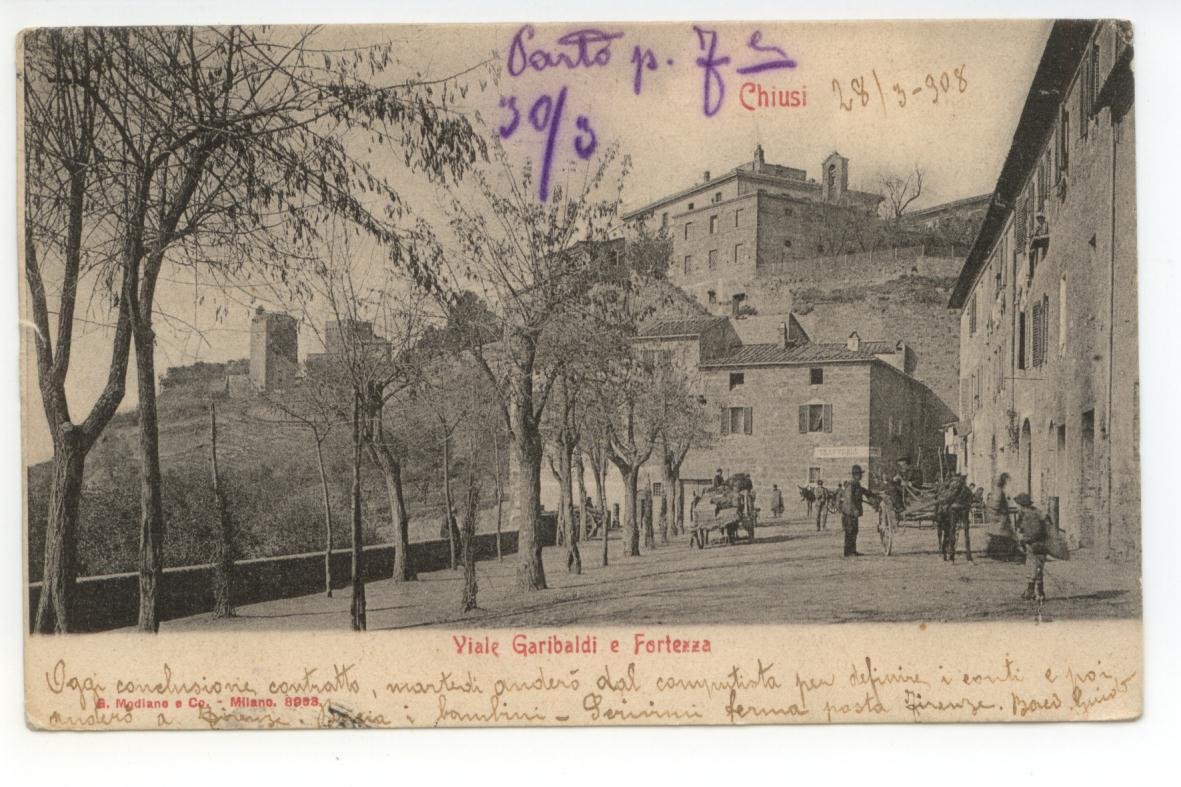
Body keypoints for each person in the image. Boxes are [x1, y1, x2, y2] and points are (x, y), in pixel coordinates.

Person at [1013, 493, 1049, 601]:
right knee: (1037, 568)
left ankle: (1035, 592)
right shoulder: (1036, 512)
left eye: (1018, 505)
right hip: (1041, 544)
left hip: (1035, 544)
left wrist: (1024, 539)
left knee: (1033, 568)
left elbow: (1034, 531)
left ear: (1023, 505)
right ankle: (1037, 592)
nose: (1017, 507)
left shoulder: (1029, 515)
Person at [838, 465, 879, 557]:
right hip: (849, 512)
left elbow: (864, 491)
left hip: (852, 513)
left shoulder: (857, 484)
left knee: (854, 530)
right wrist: (855, 509)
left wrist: (873, 495)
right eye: (859, 474)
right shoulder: (851, 485)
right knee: (849, 531)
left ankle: (853, 550)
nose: (861, 476)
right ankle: (848, 552)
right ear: (855, 475)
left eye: (860, 474)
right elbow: (849, 499)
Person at [937, 473, 974, 562]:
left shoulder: (963, 490)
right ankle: (953, 556)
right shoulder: (953, 489)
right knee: (954, 531)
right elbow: (946, 498)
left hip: (958, 510)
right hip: (954, 510)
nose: (955, 484)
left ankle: (956, 557)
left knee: (957, 532)